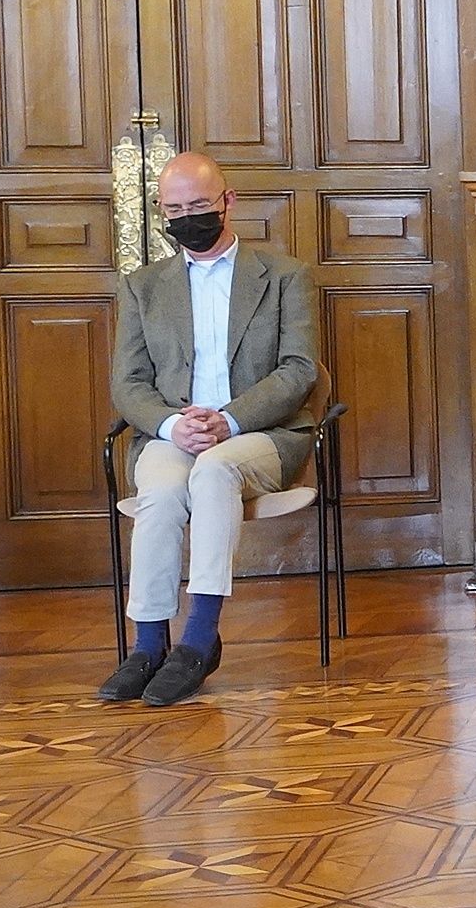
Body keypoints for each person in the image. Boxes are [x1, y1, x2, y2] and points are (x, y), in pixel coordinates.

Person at [103, 154, 321, 707]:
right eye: (174, 210)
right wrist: (173, 425)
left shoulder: (284, 275)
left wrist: (230, 419)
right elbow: (129, 382)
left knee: (215, 470)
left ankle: (199, 640)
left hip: (259, 433)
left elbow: (299, 369)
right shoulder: (143, 287)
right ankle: (148, 645)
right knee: (159, 491)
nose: (187, 218)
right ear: (161, 211)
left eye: (199, 205)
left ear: (228, 201)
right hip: (172, 433)